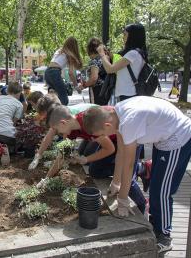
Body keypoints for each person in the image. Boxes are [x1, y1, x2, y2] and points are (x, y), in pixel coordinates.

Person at [82, 97, 191, 254]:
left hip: (177, 139)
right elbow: (121, 154)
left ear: (107, 125)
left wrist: (123, 198)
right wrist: (116, 182)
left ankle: (165, 236)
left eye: (102, 134)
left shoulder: (128, 122)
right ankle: (156, 223)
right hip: (163, 138)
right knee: (155, 187)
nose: (103, 138)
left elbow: (129, 164)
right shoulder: (117, 114)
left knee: (162, 192)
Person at [36, 104, 147, 214]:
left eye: (57, 130)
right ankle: (135, 168)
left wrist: (116, 179)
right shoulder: (71, 130)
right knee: (95, 171)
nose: (58, 133)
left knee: (127, 176)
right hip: (111, 138)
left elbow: (110, 149)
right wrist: (46, 178)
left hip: (128, 138)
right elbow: (62, 156)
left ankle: (144, 205)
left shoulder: (89, 124)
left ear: (63, 123)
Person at [98, 24, 147, 102]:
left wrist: (102, 54)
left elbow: (110, 69)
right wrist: (110, 56)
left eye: (125, 35)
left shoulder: (133, 54)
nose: (123, 38)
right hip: (130, 93)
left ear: (132, 36)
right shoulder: (137, 53)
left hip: (128, 94)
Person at [44, 37, 83, 105]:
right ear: (75, 46)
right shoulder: (70, 54)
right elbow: (71, 73)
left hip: (47, 72)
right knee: (64, 99)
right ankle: (60, 114)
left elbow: (56, 64)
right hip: (55, 72)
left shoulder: (59, 50)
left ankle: (49, 112)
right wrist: (76, 86)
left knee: (53, 97)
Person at [0, 82, 23, 153]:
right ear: (19, 92)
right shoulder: (19, 104)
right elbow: (14, 122)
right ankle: (10, 150)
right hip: (7, 135)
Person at [79, 38, 109, 105]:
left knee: (99, 111)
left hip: (98, 90)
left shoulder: (94, 61)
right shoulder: (106, 58)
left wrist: (84, 85)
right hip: (108, 88)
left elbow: (94, 78)